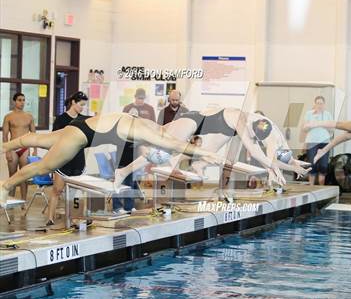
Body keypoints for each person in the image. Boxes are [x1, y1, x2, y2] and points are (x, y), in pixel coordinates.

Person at [0, 112, 224, 207]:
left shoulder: (154, 127)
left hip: (81, 126)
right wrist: (206, 154)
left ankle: (3, 146)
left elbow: (173, 143)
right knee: (44, 166)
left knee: (38, 139)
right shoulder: (147, 133)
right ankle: (5, 185)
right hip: (81, 137)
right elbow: (175, 145)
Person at [113, 107, 312, 190]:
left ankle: (196, 166)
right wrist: (272, 168)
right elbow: (255, 151)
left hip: (215, 128)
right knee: (166, 148)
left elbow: (278, 156)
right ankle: (123, 170)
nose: (252, 138)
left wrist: (294, 166)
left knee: (197, 157)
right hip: (194, 119)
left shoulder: (271, 134)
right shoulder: (241, 120)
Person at [46, 92, 89, 226]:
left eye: (84, 106)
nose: (83, 108)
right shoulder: (61, 119)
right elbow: (53, 141)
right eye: (81, 105)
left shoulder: (84, 119)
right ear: (73, 103)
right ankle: (50, 218)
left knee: (76, 192)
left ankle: (75, 218)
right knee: (57, 190)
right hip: (63, 160)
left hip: (78, 160)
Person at [114, 88, 156, 214]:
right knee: (120, 178)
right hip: (122, 153)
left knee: (131, 180)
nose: (140, 100)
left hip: (134, 153)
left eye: (142, 98)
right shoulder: (123, 126)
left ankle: (129, 205)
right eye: (139, 98)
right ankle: (117, 206)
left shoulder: (140, 127)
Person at [2, 92, 37, 205]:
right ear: (14, 101)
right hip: (13, 148)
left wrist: (34, 150)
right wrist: (6, 151)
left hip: (25, 149)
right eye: (19, 100)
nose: (22, 102)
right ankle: (11, 200)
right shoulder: (8, 117)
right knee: (12, 176)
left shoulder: (29, 116)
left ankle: (23, 201)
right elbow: (4, 135)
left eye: (23, 100)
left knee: (24, 176)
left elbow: (34, 135)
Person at [300, 96, 333, 185]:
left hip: (325, 142)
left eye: (321, 103)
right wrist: (312, 124)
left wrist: (323, 124)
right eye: (318, 103)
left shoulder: (327, 114)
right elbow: (304, 128)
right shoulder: (309, 114)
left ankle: (321, 188)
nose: (319, 105)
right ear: (314, 104)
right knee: (312, 164)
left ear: (324, 104)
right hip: (312, 142)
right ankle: (311, 186)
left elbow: (332, 129)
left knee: (323, 165)